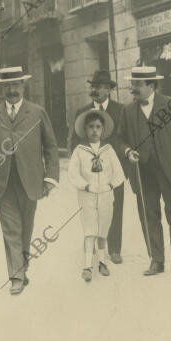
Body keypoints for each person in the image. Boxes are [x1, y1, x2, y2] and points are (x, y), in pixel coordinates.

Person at [0, 66, 60, 295]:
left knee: (26, 229)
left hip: (30, 180)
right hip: (1, 181)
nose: (12, 90)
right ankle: (16, 276)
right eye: (7, 86)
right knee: (10, 230)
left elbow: (51, 146)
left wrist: (51, 177)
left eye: (15, 85)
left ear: (23, 86)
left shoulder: (36, 112)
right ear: (1, 89)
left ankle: (22, 268)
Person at [117, 65, 171, 277]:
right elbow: (121, 139)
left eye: (138, 85)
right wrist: (127, 152)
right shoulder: (127, 111)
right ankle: (157, 260)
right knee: (148, 215)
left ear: (151, 85)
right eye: (133, 84)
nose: (133, 88)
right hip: (143, 172)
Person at [69, 69, 127, 264]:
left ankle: (115, 248)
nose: (94, 90)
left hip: (112, 170)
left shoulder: (120, 111)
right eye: (92, 86)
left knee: (114, 207)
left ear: (108, 90)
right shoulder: (82, 112)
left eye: (99, 87)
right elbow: (74, 142)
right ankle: (92, 245)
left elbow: (124, 139)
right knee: (90, 209)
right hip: (89, 173)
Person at [68, 109, 125, 282]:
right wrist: (86, 185)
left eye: (98, 127)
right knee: (89, 229)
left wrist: (110, 185)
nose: (94, 130)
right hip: (87, 195)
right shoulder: (79, 150)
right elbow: (73, 173)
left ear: (103, 129)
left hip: (106, 195)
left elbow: (119, 173)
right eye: (91, 127)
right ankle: (87, 265)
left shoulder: (108, 150)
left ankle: (102, 262)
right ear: (85, 130)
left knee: (103, 229)